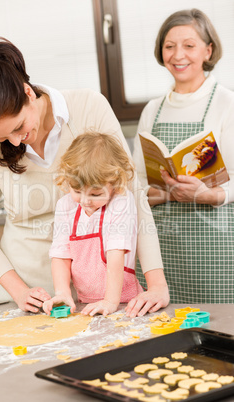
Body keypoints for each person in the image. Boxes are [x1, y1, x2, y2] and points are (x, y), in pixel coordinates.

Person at [0, 37, 169, 315]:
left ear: (27, 93)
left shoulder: (88, 108)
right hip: (20, 292)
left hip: (96, 292)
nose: (14, 143)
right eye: (1, 138)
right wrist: (19, 291)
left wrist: (156, 283)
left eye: (18, 127)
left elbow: (132, 194)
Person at [133, 8, 234, 303]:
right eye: (169, 46)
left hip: (217, 249)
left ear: (208, 50)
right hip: (161, 250)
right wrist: (167, 194)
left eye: (189, 45)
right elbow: (136, 183)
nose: (179, 55)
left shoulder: (227, 104)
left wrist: (209, 195)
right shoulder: (152, 110)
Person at [43, 132, 144, 317]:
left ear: (115, 183)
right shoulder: (65, 205)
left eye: (95, 194)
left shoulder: (121, 201)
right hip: (87, 305)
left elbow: (115, 254)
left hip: (125, 304)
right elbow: (60, 255)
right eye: (77, 191)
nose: (85, 200)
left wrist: (110, 302)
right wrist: (63, 293)